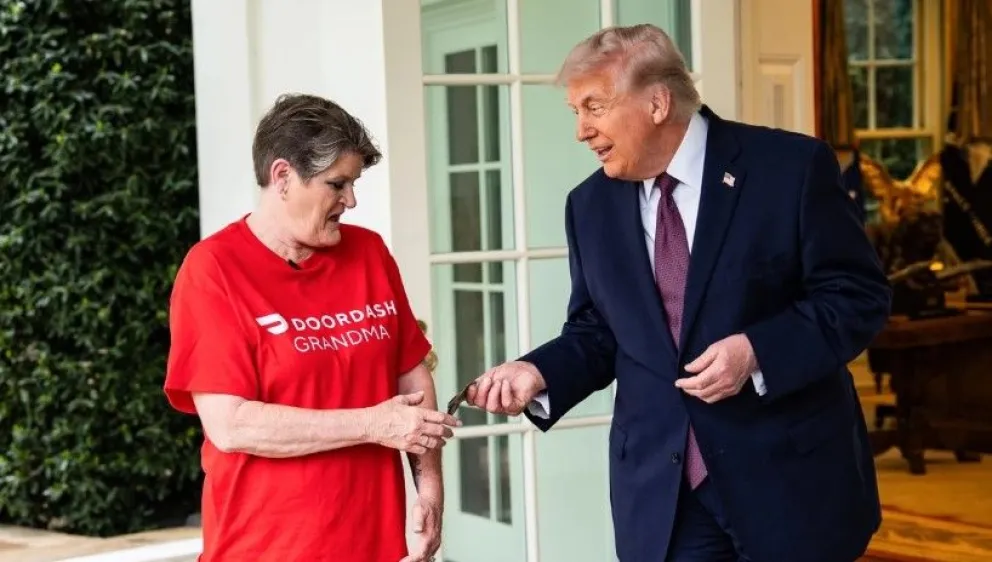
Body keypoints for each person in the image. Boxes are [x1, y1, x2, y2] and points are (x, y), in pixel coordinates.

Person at [466, 24, 891, 562]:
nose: (581, 131)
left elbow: (856, 296)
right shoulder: (589, 206)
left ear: (657, 103)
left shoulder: (790, 168)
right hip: (663, 498)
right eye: (575, 111)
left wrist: (756, 352)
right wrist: (538, 371)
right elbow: (599, 330)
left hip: (789, 483)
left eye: (594, 107)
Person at [163, 93, 460, 562]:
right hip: (264, 549)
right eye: (337, 184)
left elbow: (411, 374)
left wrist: (429, 491)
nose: (351, 200)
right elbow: (231, 424)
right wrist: (373, 424)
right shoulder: (214, 270)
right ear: (283, 177)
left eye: (353, 183)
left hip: (376, 545)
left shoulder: (369, 254)